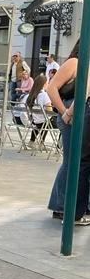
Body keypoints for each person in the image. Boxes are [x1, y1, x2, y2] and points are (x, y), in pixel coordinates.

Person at [46, 41, 90, 225]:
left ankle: (62, 205)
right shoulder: (75, 63)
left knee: (75, 161)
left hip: (77, 113)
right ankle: (64, 206)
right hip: (72, 114)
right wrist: (64, 111)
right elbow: (51, 88)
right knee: (75, 161)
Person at [25, 72, 53, 145]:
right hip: (44, 122)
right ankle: (44, 143)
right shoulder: (44, 95)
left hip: (35, 121)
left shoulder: (31, 95)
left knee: (42, 121)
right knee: (60, 122)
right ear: (44, 84)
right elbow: (50, 111)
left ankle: (32, 141)